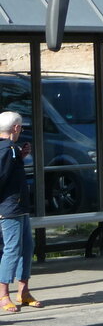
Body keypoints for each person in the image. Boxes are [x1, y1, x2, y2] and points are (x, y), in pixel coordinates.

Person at [0, 109, 40, 312]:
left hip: (19, 206)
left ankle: (23, 291)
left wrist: (21, 156)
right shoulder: (7, 149)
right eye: (21, 127)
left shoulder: (13, 150)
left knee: (27, 248)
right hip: (10, 208)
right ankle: (3, 295)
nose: (21, 130)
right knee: (12, 249)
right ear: (15, 128)